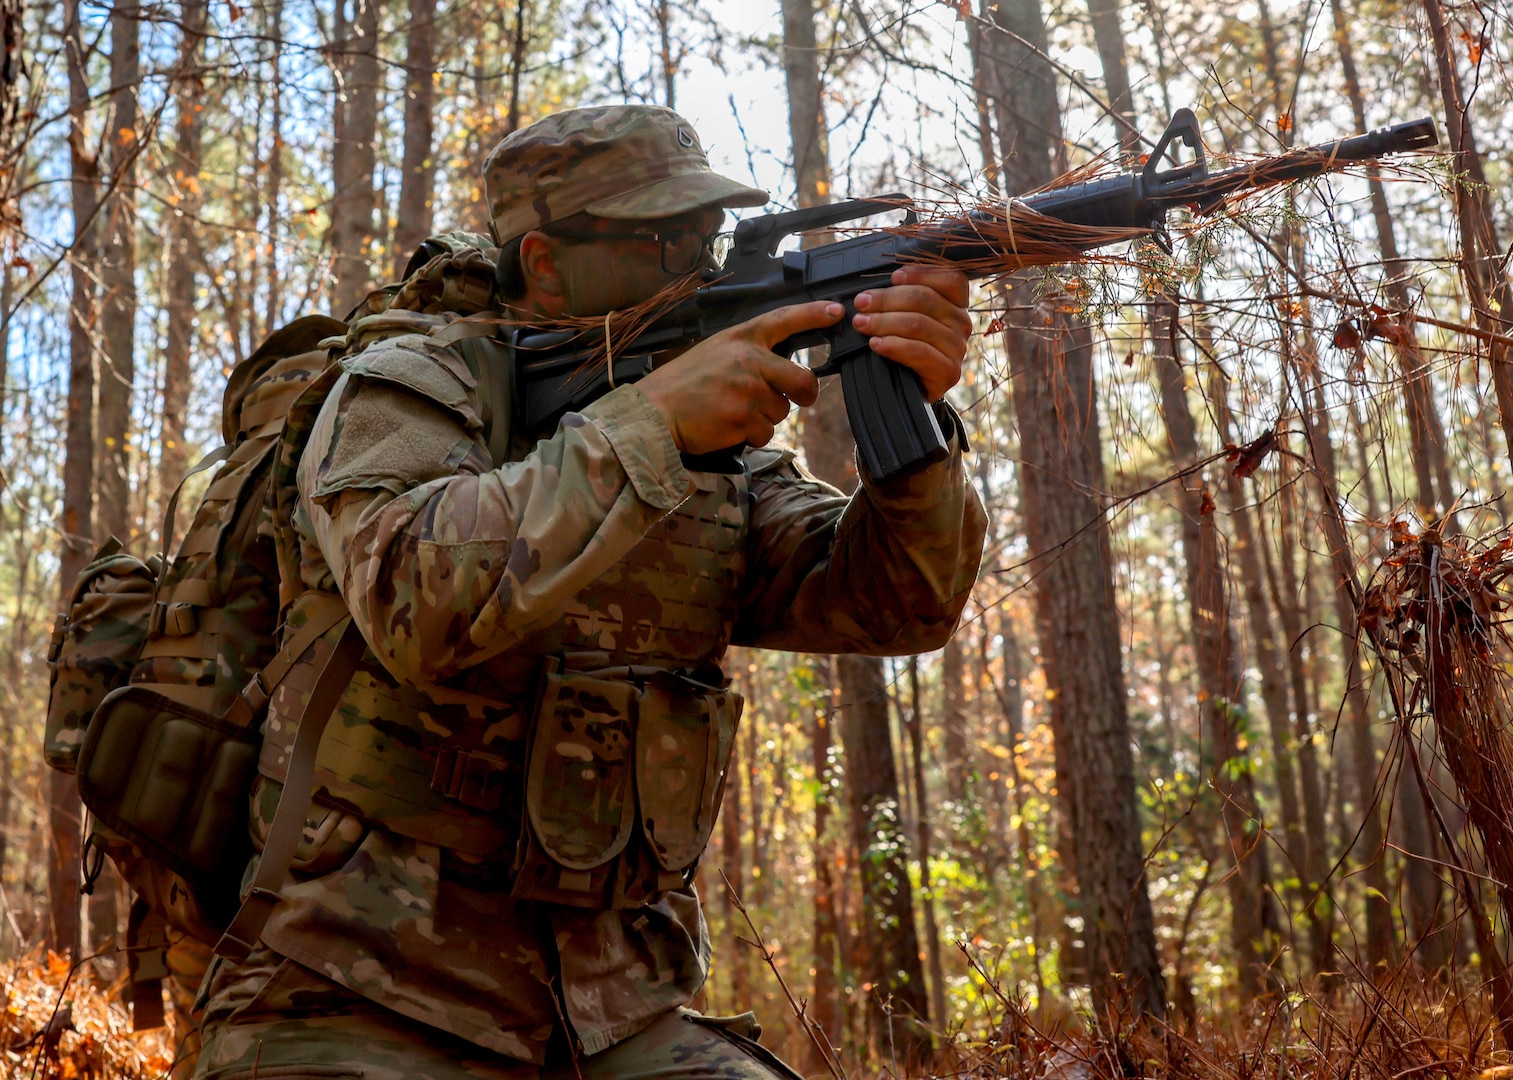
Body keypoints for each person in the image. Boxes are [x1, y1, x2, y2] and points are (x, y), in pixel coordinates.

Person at [192, 104, 986, 1079]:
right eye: (662, 238)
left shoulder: (718, 456)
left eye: (708, 231)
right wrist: (646, 429)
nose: (699, 261)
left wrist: (914, 439)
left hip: (617, 1013)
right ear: (547, 262)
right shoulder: (407, 385)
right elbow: (413, 596)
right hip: (353, 992)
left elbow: (894, 606)